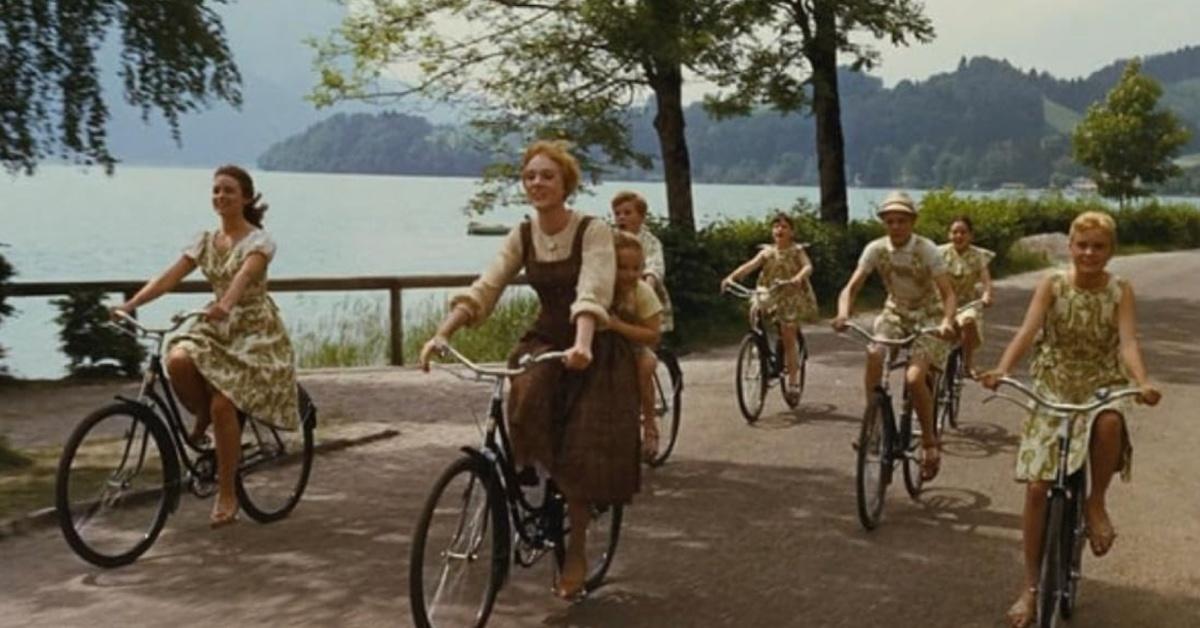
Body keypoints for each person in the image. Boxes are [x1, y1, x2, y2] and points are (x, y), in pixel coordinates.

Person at [418, 140, 639, 600]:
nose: (537, 183)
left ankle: (575, 548)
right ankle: (526, 471)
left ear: (566, 184)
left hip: (590, 341)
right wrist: (443, 332)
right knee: (522, 390)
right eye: (530, 176)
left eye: (547, 176)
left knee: (580, 455)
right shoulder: (522, 234)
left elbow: (592, 289)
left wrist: (582, 344)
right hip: (544, 336)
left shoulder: (592, 230)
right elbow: (488, 284)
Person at [979, 211, 1161, 628]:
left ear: (1110, 251)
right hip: (1054, 380)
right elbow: (1027, 331)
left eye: (1098, 246)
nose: (1089, 253)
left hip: (1101, 378)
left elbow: (1129, 340)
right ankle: (1029, 588)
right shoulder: (1053, 284)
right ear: (1070, 247)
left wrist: (1143, 380)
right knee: (1038, 487)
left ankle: (1095, 503)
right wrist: (1003, 369)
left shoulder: (1121, 290)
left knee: (1111, 422)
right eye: (1082, 245)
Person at [113, 164, 300, 529]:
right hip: (216, 326)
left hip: (254, 331)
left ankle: (227, 492)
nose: (220, 197)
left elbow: (244, 277)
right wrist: (131, 305)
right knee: (178, 359)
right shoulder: (204, 241)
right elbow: (169, 276)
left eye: (229, 190)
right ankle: (203, 416)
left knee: (224, 403)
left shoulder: (259, 242)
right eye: (216, 190)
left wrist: (227, 304)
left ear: (245, 198)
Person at [832, 191, 956, 480]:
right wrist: (843, 314)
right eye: (890, 221)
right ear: (884, 223)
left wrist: (948, 321)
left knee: (914, 378)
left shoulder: (927, 250)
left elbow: (948, 293)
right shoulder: (876, 249)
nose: (896, 226)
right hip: (895, 313)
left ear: (912, 221)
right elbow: (851, 287)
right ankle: (873, 423)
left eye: (902, 220)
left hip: (929, 317)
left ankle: (929, 442)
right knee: (875, 353)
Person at [721, 212, 818, 406]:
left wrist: (799, 277)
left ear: (792, 232)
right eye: (776, 226)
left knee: (788, 336)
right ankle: (758, 343)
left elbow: (808, 267)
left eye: (784, 227)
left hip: (790, 295)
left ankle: (793, 383)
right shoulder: (767, 252)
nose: (779, 230)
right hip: (770, 292)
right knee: (755, 306)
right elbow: (750, 266)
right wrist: (731, 277)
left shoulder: (796, 251)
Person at [607, 232, 664, 463]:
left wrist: (618, 326)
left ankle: (649, 424)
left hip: (633, 344)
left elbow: (653, 334)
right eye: (622, 268)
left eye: (635, 268)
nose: (630, 274)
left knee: (646, 365)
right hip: (601, 344)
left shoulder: (642, 292)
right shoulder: (603, 286)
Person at [937, 215, 995, 376]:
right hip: (941, 303)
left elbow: (986, 280)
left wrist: (987, 295)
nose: (959, 236)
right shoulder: (938, 253)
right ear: (949, 234)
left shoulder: (978, 256)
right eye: (955, 232)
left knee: (968, 321)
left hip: (967, 303)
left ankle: (967, 364)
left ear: (971, 235)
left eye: (963, 232)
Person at [611, 190, 673, 332]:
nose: (621, 217)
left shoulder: (650, 242)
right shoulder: (610, 238)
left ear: (641, 217)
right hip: (617, 292)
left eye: (627, 213)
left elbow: (655, 266)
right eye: (617, 213)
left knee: (647, 332)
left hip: (643, 293)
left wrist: (648, 286)